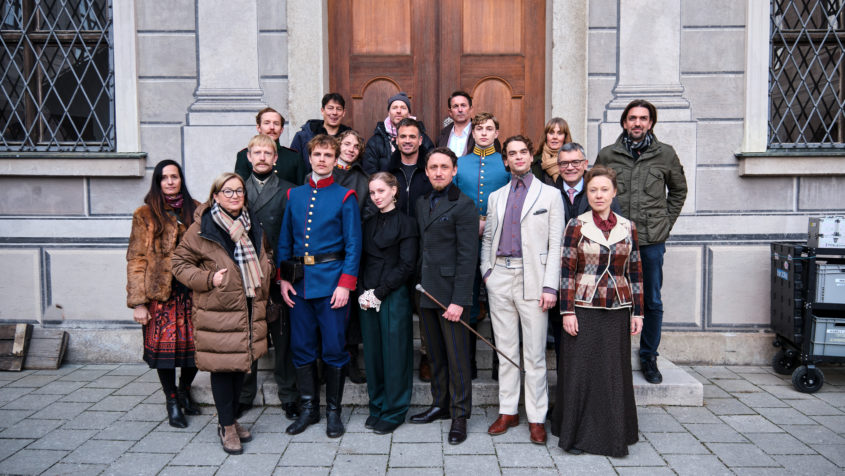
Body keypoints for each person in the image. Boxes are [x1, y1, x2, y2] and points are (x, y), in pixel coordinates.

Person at [172, 172, 272, 455]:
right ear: (215, 196)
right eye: (227, 191)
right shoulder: (202, 227)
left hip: (249, 304)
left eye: (239, 191)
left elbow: (265, 254)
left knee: (241, 364)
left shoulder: (252, 225)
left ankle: (231, 420)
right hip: (218, 310)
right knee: (222, 369)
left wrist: (266, 269)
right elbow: (179, 264)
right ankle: (226, 427)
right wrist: (209, 279)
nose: (235, 196)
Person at [552, 165, 643, 457]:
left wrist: (638, 312)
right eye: (593, 190)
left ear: (614, 192)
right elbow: (566, 271)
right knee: (581, 372)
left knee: (613, 372)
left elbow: (636, 272)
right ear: (586, 193)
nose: (599, 195)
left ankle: (615, 432)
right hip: (583, 307)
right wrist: (567, 312)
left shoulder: (628, 227)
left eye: (604, 189)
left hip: (617, 308)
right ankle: (576, 434)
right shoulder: (576, 225)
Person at [595, 99, 687, 384]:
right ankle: (613, 356)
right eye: (632, 118)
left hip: (650, 241)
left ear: (651, 123)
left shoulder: (666, 154)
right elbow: (596, 189)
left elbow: (679, 192)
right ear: (624, 122)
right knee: (611, 299)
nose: (637, 123)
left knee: (651, 301)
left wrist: (664, 224)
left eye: (643, 118)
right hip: (616, 241)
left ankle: (649, 356)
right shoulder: (608, 154)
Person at [277, 134, 362, 438]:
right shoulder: (295, 196)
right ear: (309, 158)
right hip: (299, 285)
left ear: (335, 159)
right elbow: (285, 239)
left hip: (331, 284)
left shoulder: (345, 196)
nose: (322, 159)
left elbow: (354, 245)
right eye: (318, 155)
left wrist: (345, 285)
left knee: (334, 349)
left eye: (328, 155)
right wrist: (283, 279)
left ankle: (334, 413)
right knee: (301, 349)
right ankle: (309, 408)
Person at [481, 135, 563, 445]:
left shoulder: (550, 195)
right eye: (511, 153)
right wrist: (486, 272)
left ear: (531, 157)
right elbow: (488, 238)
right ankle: (507, 410)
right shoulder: (496, 196)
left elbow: (556, 244)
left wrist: (549, 285)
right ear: (505, 160)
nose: (517, 157)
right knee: (505, 350)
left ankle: (536, 417)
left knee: (534, 354)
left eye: (522, 152)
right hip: (499, 276)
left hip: (534, 280)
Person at [409, 147, 479, 446]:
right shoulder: (422, 202)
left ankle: (460, 415)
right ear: (426, 171)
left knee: (457, 358)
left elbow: (468, 257)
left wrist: (459, 300)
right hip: (426, 290)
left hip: (451, 295)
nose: (438, 172)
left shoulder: (464, 205)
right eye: (433, 167)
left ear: (454, 171)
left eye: (444, 167)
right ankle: (440, 404)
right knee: (434, 354)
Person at [126, 160, 200, 429]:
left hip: (192, 294)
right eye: (164, 178)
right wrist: (138, 303)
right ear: (157, 182)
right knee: (166, 354)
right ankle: (171, 401)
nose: (170, 182)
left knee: (196, 351)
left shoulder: (197, 209)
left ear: (181, 179)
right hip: (161, 296)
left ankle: (184, 390)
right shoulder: (145, 214)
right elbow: (136, 259)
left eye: (175, 176)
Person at [236, 134, 299, 421]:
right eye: (256, 152)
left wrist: (286, 273)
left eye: (267, 153)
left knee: (282, 338)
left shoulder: (289, 191)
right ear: (248, 157)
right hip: (245, 277)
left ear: (276, 159)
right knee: (248, 336)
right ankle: (245, 395)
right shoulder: (235, 191)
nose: (262, 157)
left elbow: (295, 237)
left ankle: (289, 395)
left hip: (277, 276)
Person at [545, 142, 621, 363]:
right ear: (558, 166)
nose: (570, 167)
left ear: (585, 163)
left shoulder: (599, 192)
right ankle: (567, 387)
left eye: (576, 162)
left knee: (591, 339)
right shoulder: (548, 193)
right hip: (560, 273)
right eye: (564, 163)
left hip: (594, 277)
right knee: (563, 336)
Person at [357, 172, 418, 435]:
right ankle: (378, 405)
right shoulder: (368, 222)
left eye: (381, 191)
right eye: (372, 193)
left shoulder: (407, 223)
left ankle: (395, 410)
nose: (376, 197)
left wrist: (380, 292)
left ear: (394, 190)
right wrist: (363, 292)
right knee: (373, 354)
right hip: (368, 295)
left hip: (392, 295)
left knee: (395, 354)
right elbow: (362, 259)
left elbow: (406, 265)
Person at [454, 112, 510, 379]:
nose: (484, 133)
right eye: (479, 129)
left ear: (497, 133)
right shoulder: (460, 163)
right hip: (465, 242)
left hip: (498, 242)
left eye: (489, 128)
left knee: (499, 301)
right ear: (472, 133)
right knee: (468, 300)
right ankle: (470, 363)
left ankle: (501, 364)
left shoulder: (506, 163)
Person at [386, 117, 433, 381]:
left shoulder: (429, 169)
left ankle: (427, 355)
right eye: (402, 136)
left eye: (412, 136)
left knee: (425, 307)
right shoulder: (387, 171)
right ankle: (400, 357)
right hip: (394, 251)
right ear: (396, 140)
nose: (407, 141)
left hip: (424, 249)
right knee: (398, 308)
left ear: (420, 140)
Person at [334, 129, 370, 383]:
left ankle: (351, 358)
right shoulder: (322, 174)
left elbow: (366, 213)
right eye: (346, 144)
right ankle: (329, 361)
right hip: (326, 251)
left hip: (352, 250)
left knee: (352, 310)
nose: (350, 149)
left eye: (355, 146)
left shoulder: (363, 179)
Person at [362, 92, 435, 174]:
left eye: (403, 108)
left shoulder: (422, 138)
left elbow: (433, 165)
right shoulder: (375, 141)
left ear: (409, 113)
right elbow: (369, 170)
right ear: (389, 113)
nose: (399, 111)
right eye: (394, 107)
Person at [235, 107, 306, 185]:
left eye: (276, 123)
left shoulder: (294, 157)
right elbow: (240, 188)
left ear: (281, 129)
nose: (272, 127)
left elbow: (301, 189)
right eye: (267, 123)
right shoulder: (244, 155)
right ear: (258, 128)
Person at [290, 92, 352, 168]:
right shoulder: (303, 136)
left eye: (338, 109)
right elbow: (292, 165)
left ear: (343, 112)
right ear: (322, 110)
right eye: (330, 108)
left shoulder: (350, 139)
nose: (334, 112)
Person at [530, 117, 572, 186]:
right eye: (551, 133)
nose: (555, 137)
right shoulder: (534, 162)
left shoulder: (573, 161)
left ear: (565, 137)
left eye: (559, 133)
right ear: (546, 136)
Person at [436, 91, 475, 157]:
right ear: (450, 112)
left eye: (463, 105)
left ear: (470, 109)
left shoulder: (483, 132)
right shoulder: (442, 135)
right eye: (455, 106)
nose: (460, 110)